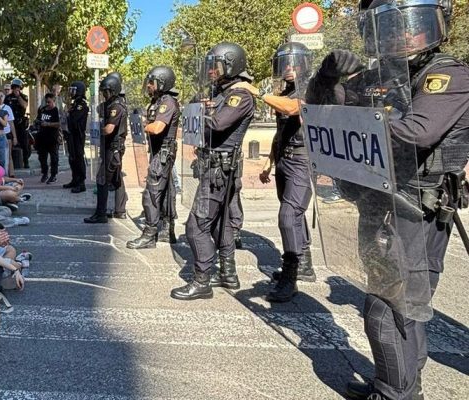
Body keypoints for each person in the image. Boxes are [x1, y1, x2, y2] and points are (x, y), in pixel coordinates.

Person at [305, 1, 469, 399]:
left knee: (387, 310)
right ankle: (399, 387)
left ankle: (395, 393)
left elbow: (417, 132)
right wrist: (326, 79)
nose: (399, 34)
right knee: (403, 312)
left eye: (404, 24)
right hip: (378, 203)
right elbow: (322, 110)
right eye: (388, 26)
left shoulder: (446, 74)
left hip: (416, 208)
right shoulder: (377, 75)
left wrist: (363, 119)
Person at [171, 42, 255, 301]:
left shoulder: (239, 95)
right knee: (222, 224)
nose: (211, 71)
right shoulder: (223, 93)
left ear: (231, 64)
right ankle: (228, 274)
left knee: (196, 225)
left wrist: (196, 113)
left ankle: (201, 280)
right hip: (217, 167)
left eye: (215, 66)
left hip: (220, 170)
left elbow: (218, 124)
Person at [237, 42, 316, 303]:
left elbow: (292, 109)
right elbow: (281, 131)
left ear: (305, 64)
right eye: (284, 64)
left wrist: (256, 92)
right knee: (293, 213)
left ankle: (291, 277)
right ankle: (304, 263)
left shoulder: (312, 88)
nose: (289, 68)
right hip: (284, 159)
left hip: (302, 161)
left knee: (288, 215)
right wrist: (269, 161)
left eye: (294, 63)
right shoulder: (287, 90)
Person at [127, 66, 181, 248]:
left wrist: (144, 125)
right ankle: (167, 230)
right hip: (159, 152)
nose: (149, 86)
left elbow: (157, 127)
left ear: (162, 82)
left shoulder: (167, 102)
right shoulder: (158, 101)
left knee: (152, 193)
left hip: (163, 153)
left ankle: (150, 233)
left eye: (152, 82)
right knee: (166, 192)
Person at [84, 73, 128, 224]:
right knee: (116, 179)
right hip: (111, 148)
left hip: (113, 148)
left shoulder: (117, 106)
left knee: (101, 179)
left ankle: (101, 213)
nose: (104, 94)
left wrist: (96, 130)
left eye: (106, 91)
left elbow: (109, 129)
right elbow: (98, 109)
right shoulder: (110, 104)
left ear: (113, 90)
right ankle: (120, 210)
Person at [63, 81, 89, 193]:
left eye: (73, 90)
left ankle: (81, 182)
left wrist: (68, 114)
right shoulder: (74, 104)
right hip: (71, 134)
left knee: (78, 157)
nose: (71, 92)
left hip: (78, 135)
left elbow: (74, 120)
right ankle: (74, 179)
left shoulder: (81, 105)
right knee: (72, 157)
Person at [35, 93, 62, 184]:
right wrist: (38, 122)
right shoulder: (42, 110)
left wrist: (48, 124)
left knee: (54, 157)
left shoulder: (56, 111)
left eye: (49, 102)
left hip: (52, 137)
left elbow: (59, 123)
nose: (47, 104)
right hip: (42, 137)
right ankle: (45, 173)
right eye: (46, 102)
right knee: (42, 157)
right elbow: (38, 119)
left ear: (53, 101)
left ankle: (53, 175)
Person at [5, 79, 30, 169]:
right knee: (10, 142)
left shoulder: (24, 96)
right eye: (14, 87)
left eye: (18, 87)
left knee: (24, 143)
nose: (16, 89)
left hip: (21, 122)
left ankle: (26, 162)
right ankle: (11, 163)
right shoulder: (8, 98)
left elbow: (24, 106)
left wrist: (18, 96)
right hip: (11, 122)